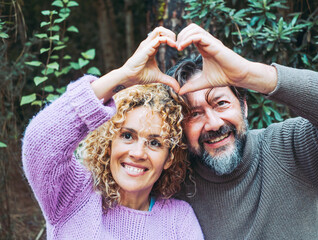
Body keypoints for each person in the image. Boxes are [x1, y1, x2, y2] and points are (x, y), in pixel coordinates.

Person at [167, 23, 318, 239]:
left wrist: (249, 74)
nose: (213, 123)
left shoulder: (289, 148)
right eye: (194, 114)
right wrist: (124, 75)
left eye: (221, 103)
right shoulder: (172, 184)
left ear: (244, 106)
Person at [22, 27, 204, 239]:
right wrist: (124, 76)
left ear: (169, 158)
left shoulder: (178, 220)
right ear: (109, 142)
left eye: (155, 143)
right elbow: (40, 144)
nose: (138, 153)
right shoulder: (74, 195)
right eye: (127, 136)